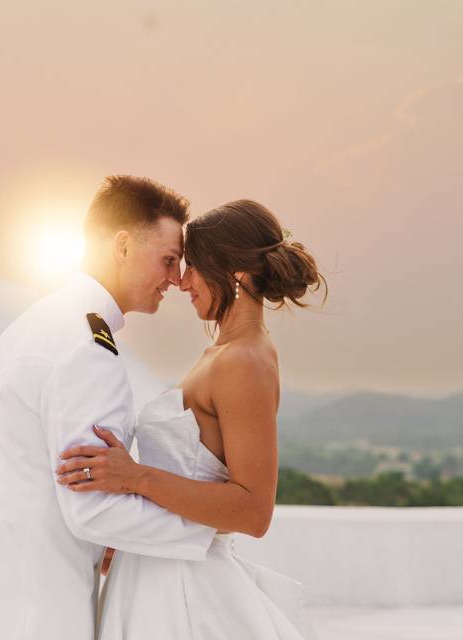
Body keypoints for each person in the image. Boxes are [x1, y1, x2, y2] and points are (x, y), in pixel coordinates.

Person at [0, 176, 218, 640]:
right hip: (32, 604)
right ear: (121, 245)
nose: (176, 280)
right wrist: (207, 532)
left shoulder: (41, 322)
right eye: (168, 260)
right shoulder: (87, 349)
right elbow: (90, 510)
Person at [56, 199, 326, 639]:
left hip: (184, 596)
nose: (182, 281)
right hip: (153, 574)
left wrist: (136, 479)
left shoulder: (244, 361)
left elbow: (252, 511)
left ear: (236, 272)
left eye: (194, 266)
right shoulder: (226, 353)